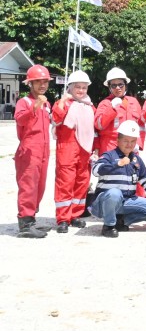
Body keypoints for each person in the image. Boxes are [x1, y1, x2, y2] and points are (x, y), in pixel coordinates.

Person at [90, 121, 146, 238]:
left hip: (126, 201)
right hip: (104, 203)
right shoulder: (109, 156)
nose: (129, 145)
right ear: (117, 141)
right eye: (126, 141)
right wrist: (117, 164)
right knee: (115, 193)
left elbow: (145, 179)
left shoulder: (136, 159)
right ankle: (108, 226)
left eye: (133, 141)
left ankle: (121, 221)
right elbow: (95, 170)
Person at [51, 70, 95, 234]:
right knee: (65, 183)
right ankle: (63, 219)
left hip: (85, 150)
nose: (81, 91)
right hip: (67, 148)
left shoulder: (89, 105)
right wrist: (63, 101)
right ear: (70, 87)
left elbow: (94, 129)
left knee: (82, 182)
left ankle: (75, 214)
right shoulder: (62, 103)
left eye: (84, 87)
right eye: (78, 87)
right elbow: (56, 118)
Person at [14, 64, 52, 238]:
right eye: (38, 82)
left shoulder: (46, 103)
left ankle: (32, 219)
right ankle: (25, 223)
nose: (42, 85)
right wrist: (34, 106)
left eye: (45, 81)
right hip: (29, 149)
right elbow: (20, 119)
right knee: (28, 185)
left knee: (40, 185)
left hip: (43, 149)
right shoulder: (25, 102)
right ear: (30, 83)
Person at [94, 67, 143, 153]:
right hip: (111, 147)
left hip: (131, 146)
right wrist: (111, 108)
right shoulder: (105, 103)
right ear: (109, 87)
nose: (117, 88)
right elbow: (99, 125)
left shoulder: (133, 102)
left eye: (120, 84)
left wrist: (138, 143)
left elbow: (141, 126)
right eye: (114, 85)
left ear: (125, 85)